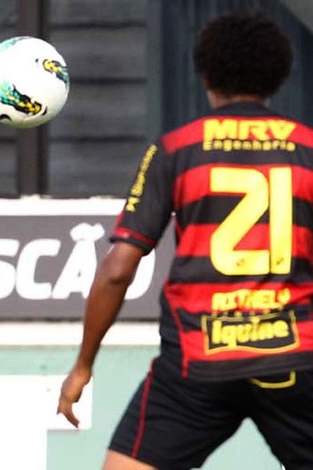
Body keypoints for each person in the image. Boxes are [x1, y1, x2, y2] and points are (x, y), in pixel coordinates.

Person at [57, 10, 313, 470]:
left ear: (206, 74)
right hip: (294, 360)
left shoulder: (176, 150)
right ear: (279, 75)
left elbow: (118, 270)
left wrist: (83, 365)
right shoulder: (308, 151)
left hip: (197, 364)